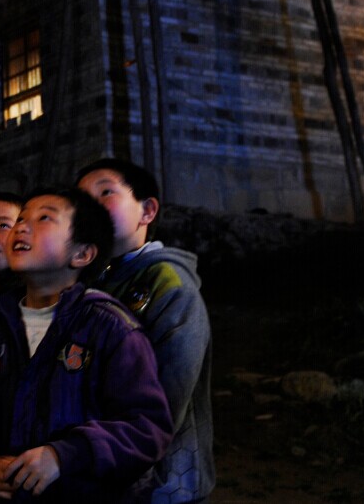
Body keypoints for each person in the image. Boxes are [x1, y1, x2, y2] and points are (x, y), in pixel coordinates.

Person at [0, 187, 173, 503]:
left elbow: (146, 427)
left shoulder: (109, 327)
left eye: (44, 219)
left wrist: (65, 455)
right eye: (22, 219)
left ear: (82, 254)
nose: (22, 227)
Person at [77, 159, 214, 504]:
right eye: (82, 200)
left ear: (148, 210)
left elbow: (166, 399)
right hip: (102, 471)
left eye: (105, 193)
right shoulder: (93, 281)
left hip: (164, 484)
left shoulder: (170, 285)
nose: (91, 207)